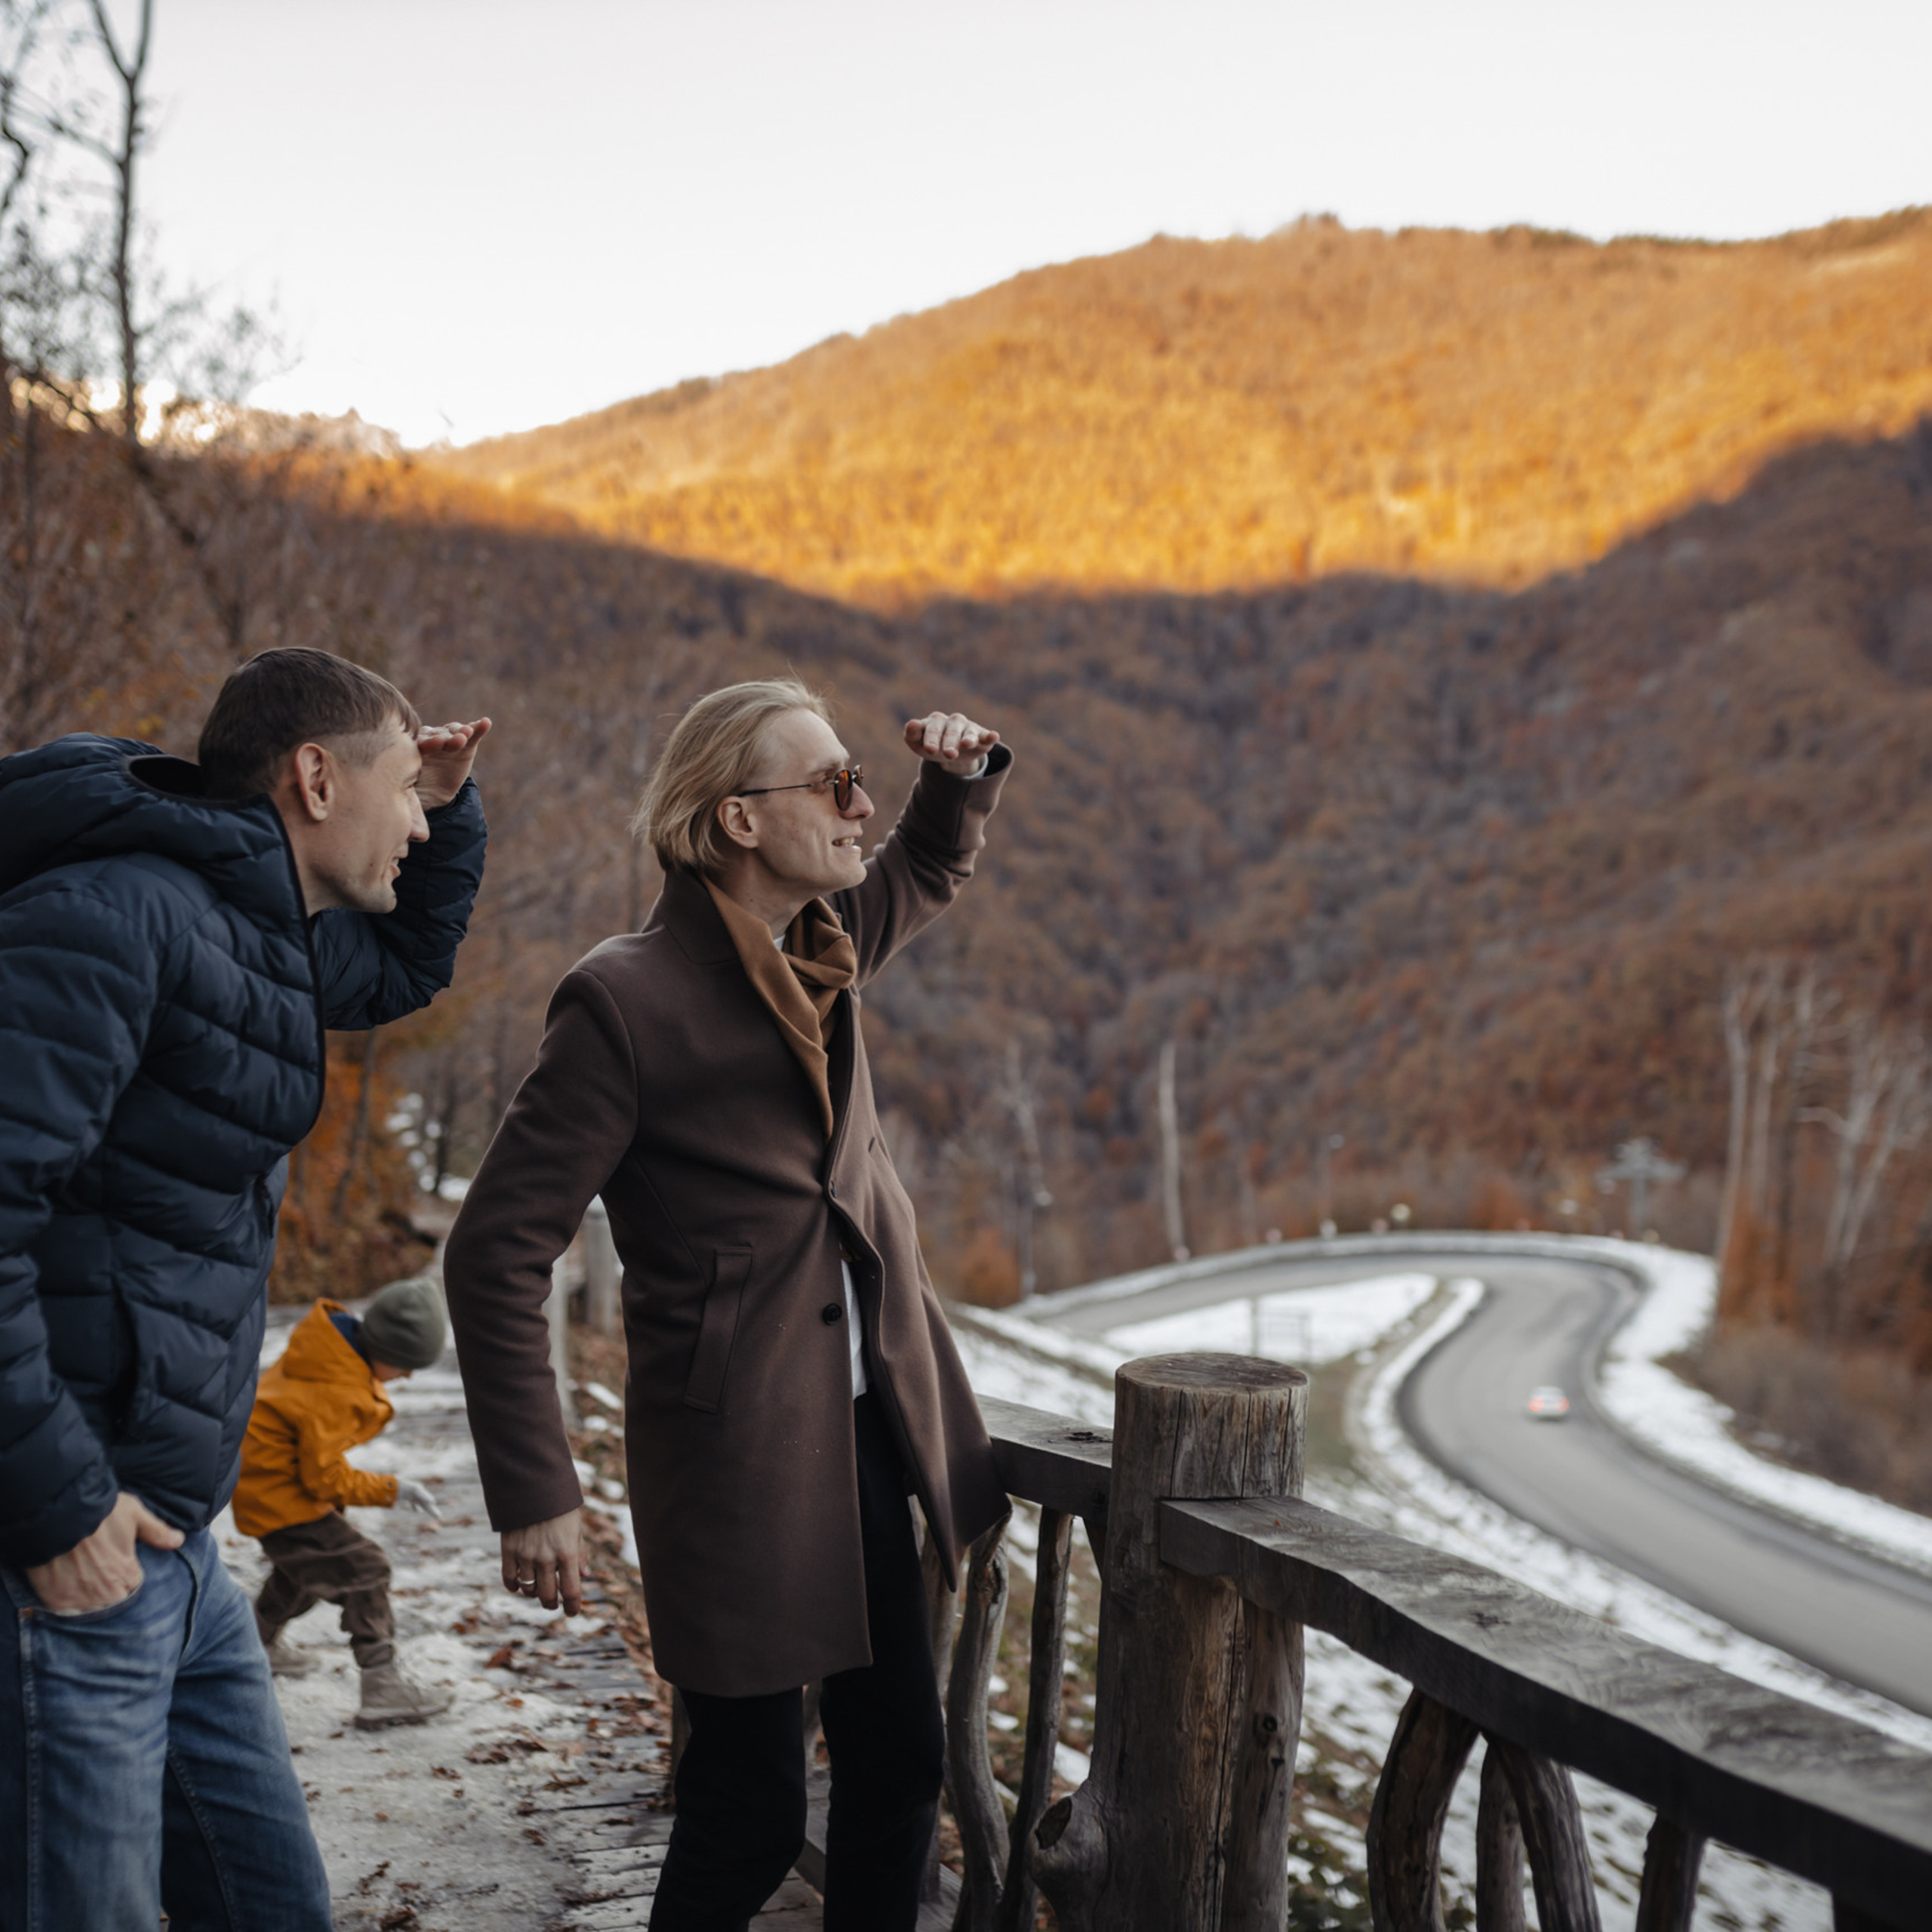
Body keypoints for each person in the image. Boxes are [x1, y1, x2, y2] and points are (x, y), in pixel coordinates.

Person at [442, 678, 1012, 1931]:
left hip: (874, 1436)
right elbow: (494, 1252)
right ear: (739, 820)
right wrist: (538, 1488)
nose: (858, 803)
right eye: (832, 783)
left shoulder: (827, 939)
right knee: (748, 1811)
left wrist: (957, 781)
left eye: (861, 778)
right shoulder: (624, 1002)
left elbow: (920, 864)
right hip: (740, 1455)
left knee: (900, 1770)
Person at [0, 648, 489, 1931]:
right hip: (72, 1549)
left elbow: (401, 969)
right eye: (406, 794)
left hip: (174, 1547)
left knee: (272, 1902)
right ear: (315, 777)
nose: (421, 820)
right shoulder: (119, 915)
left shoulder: (253, 932)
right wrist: (57, 1509)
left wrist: (455, 804)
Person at [235, 1275, 455, 1727]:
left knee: (303, 1573)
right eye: (406, 1365)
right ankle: (383, 1685)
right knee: (366, 1569)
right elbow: (324, 1479)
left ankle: (254, 1647)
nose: (409, 1376)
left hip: (266, 1484)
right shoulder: (335, 1389)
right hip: (281, 1497)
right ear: (387, 1351)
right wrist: (392, 1490)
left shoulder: (328, 1348)